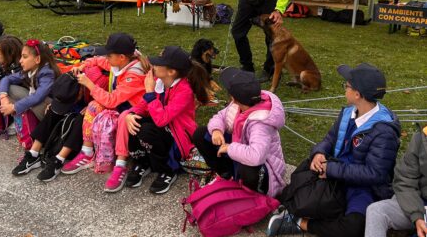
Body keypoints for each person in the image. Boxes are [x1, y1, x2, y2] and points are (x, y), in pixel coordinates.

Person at [267, 63, 400, 237]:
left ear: (358, 94)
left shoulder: (384, 132)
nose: (345, 89)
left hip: (362, 188)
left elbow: (374, 173)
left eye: (347, 86)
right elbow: (330, 139)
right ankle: (302, 211)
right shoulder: (349, 112)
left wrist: (331, 169)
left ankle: (300, 223)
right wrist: (319, 153)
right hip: (334, 175)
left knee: (353, 227)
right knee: (294, 190)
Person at [120, 46, 210, 194]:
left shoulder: (184, 91)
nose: (153, 66)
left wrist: (150, 93)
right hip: (162, 129)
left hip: (177, 136)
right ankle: (143, 162)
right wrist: (131, 114)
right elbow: (143, 105)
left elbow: (162, 119)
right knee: (134, 120)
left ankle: (167, 170)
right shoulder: (159, 81)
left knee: (147, 131)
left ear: (171, 71)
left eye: (157, 63)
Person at [61, 33, 148, 175]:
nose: (106, 58)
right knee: (93, 106)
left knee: (110, 115)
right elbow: (98, 60)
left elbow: (111, 100)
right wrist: (83, 65)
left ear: (121, 57)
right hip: (122, 104)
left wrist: (90, 84)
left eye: (109, 55)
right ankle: (87, 152)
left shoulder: (134, 75)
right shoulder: (123, 61)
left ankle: (117, 162)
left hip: (134, 112)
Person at [193, 67, 286, 197]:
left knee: (248, 169)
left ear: (233, 97)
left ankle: (249, 196)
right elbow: (220, 116)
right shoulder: (240, 104)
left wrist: (230, 148)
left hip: (264, 169)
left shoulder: (261, 122)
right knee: (200, 134)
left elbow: (256, 156)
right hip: (241, 148)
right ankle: (226, 174)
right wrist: (216, 130)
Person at [11, 73, 82, 182]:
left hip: (82, 131)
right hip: (68, 113)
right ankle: (33, 154)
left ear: (80, 93)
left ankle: (58, 160)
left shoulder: (92, 83)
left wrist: (91, 105)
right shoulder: (73, 75)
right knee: (53, 111)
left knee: (80, 118)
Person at [365, 125, 427, 237]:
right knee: (376, 211)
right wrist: (417, 216)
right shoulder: (421, 138)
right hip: (419, 205)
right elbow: (405, 180)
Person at [0, 39, 61, 121]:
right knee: (8, 89)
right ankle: (23, 124)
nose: (20, 61)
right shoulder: (30, 69)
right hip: (39, 104)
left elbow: (38, 96)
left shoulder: (47, 73)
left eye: (25, 57)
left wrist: (14, 107)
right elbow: (7, 79)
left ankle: (32, 125)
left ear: (37, 59)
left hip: (51, 111)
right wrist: (3, 98)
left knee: (33, 101)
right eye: (21, 56)